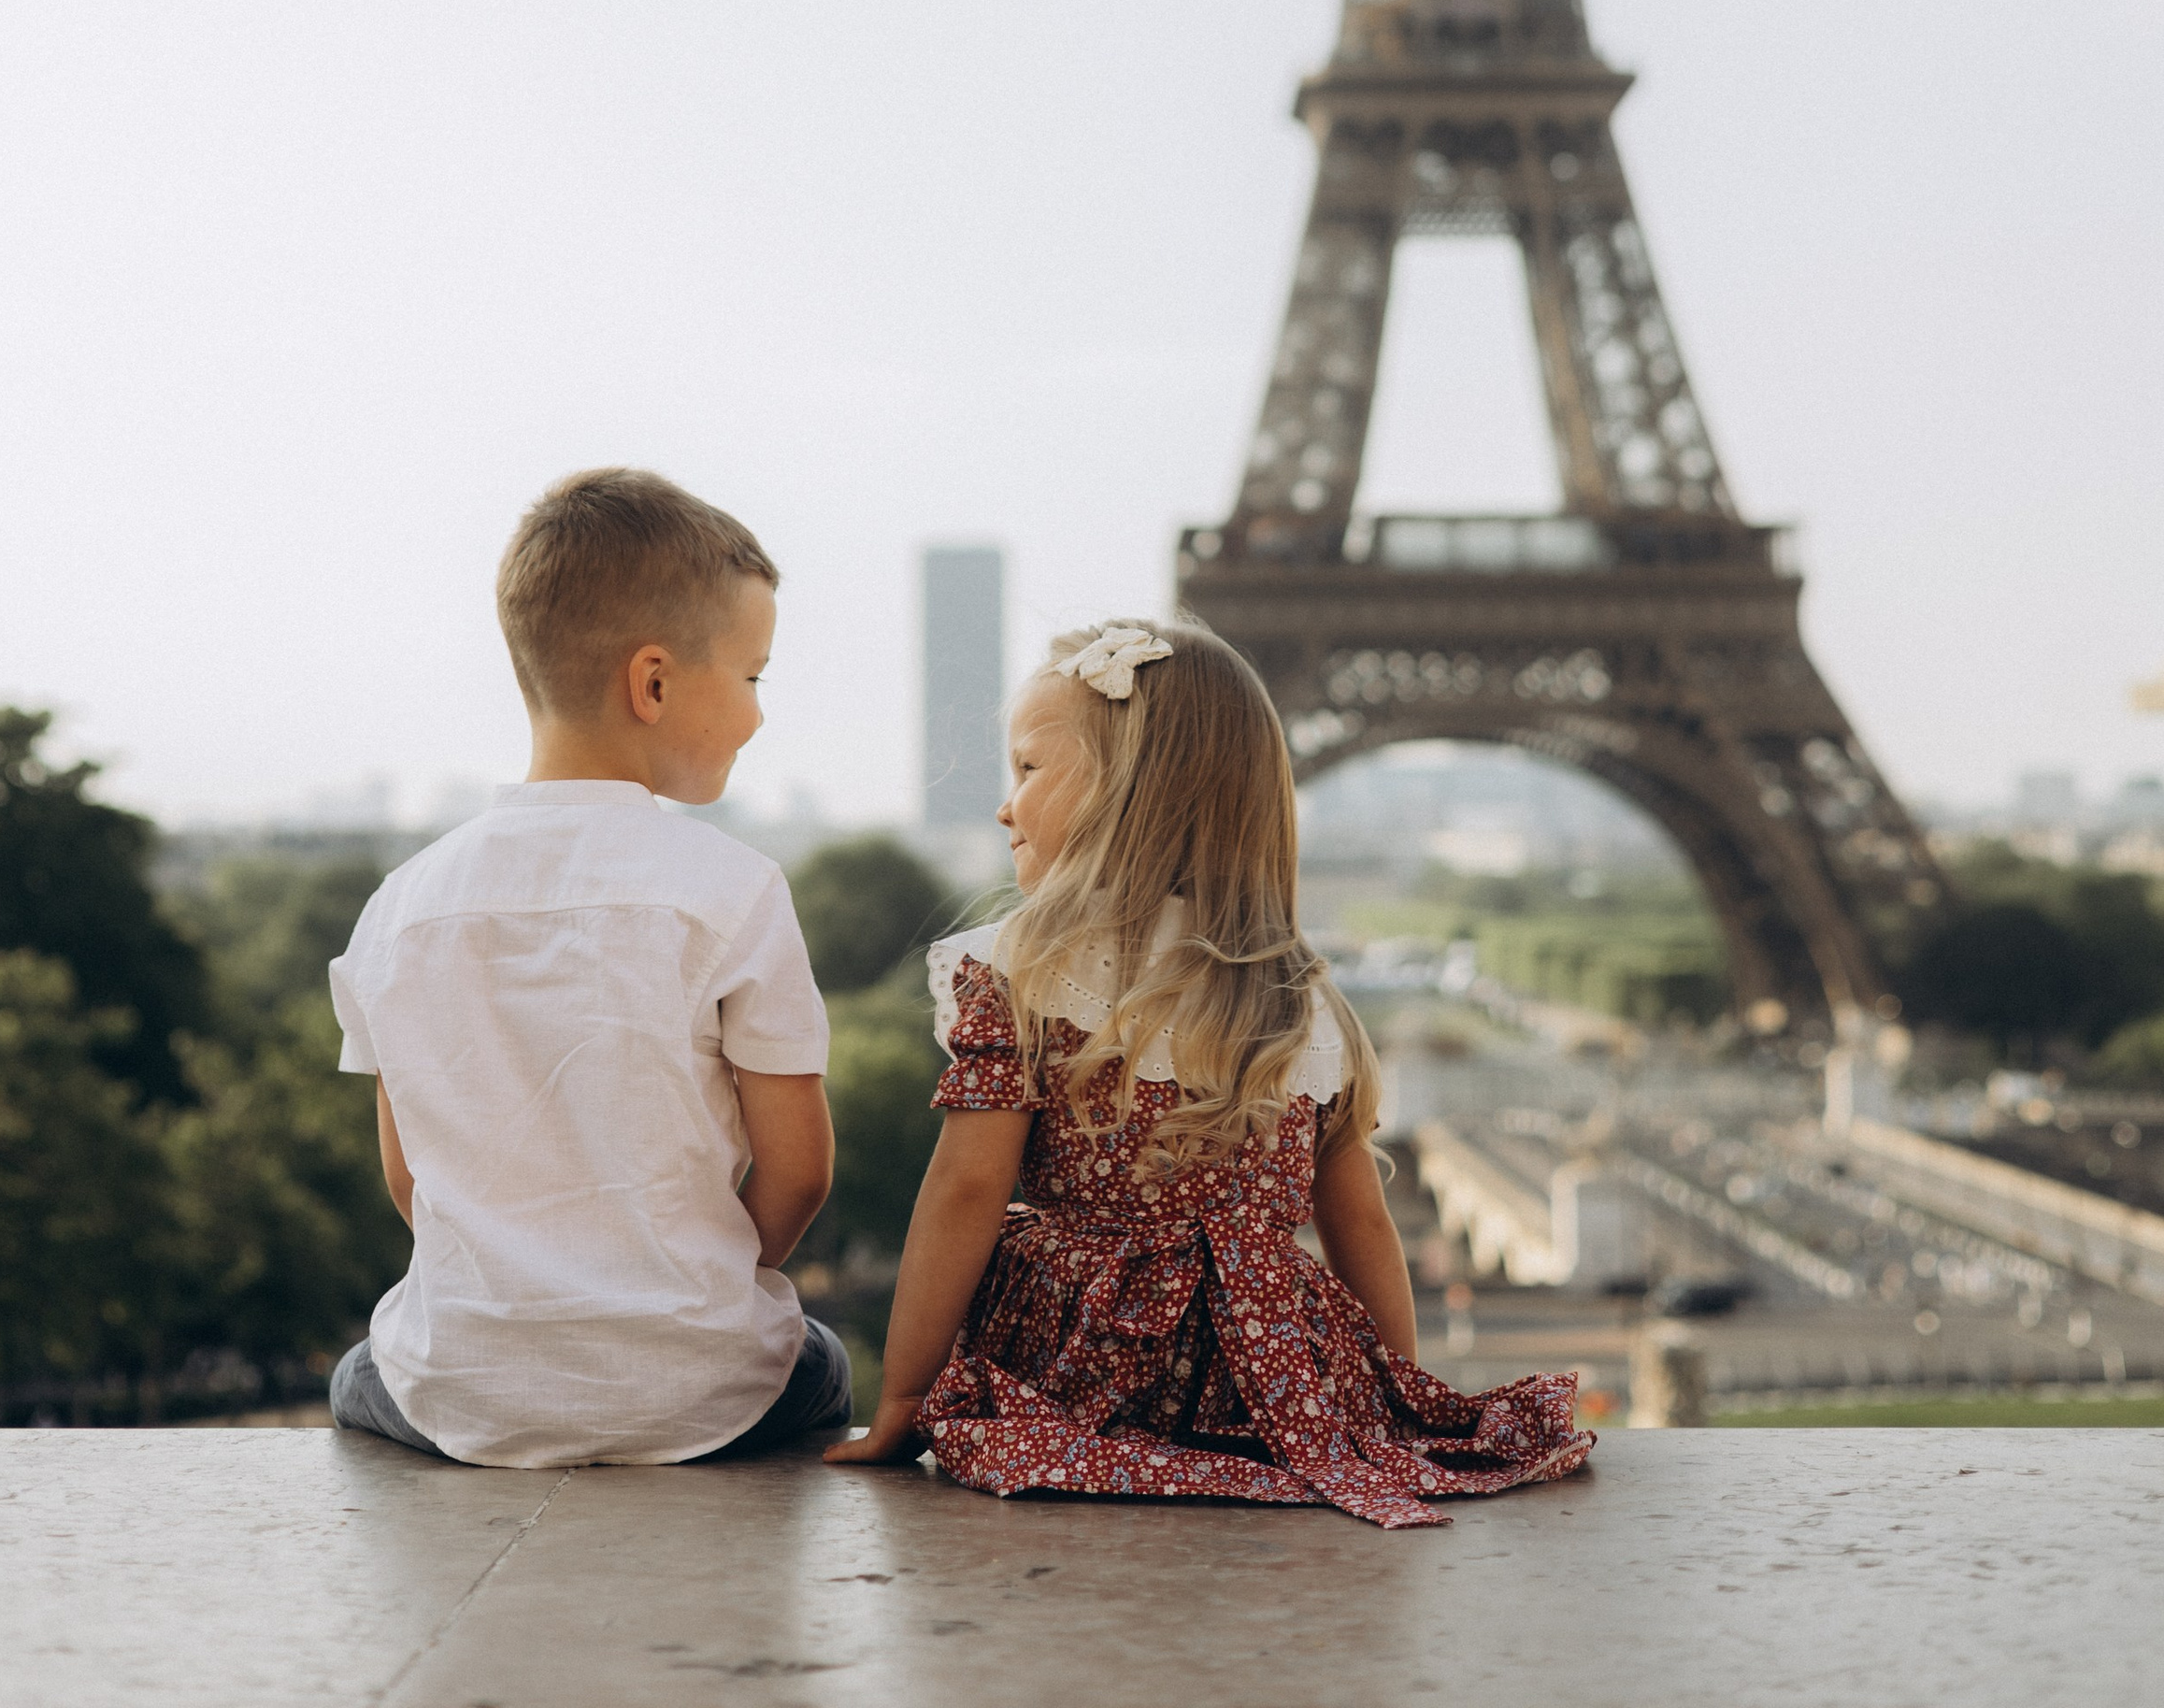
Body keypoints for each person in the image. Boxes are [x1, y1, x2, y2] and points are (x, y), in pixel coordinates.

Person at [826, 617, 1592, 1525]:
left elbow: (965, 1191)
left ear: (1127, 793)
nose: (1005, 805)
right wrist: (1390, 1406)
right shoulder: (1300, 1000)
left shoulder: (1021, 974)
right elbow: (1360, 1224)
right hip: (1269, 1387)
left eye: (1027, 768)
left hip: (1090, 1377)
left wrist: (905, 1399)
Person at [325, 466, 851, 1465]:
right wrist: (699, 1293)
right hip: (699, 1390)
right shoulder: (734, 889)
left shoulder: (399, 908)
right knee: (818, 1361)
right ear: (653, 683)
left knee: (359, 1373)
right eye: (752, 678)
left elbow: (408, 1178)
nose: (758, 715)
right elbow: (799, 1173)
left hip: (465, 1391)